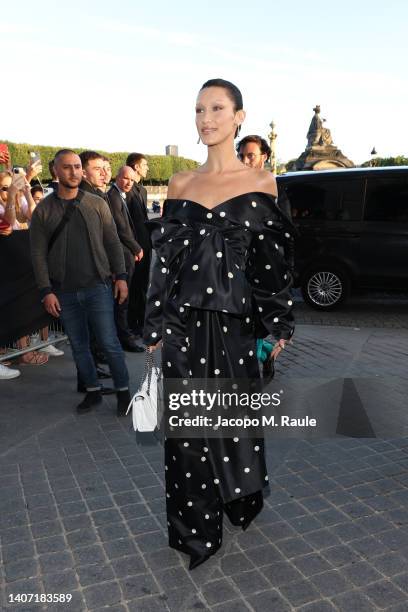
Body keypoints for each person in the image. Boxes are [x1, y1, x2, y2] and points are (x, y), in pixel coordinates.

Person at [143, 78, 294, 569]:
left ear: (239, 117)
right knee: (188, 430)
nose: (205, 119)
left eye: (216, 108)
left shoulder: (262, 183)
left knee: (234, 425)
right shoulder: (182, 183)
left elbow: (271, 265)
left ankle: (242, 499)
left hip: (235, 326)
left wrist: (278, 324)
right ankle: (195, 533)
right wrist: (155, 325)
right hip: (185, 325)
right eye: (198, 110)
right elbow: (162, 264)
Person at [30, 149, 131, 416]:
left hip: (98, 286)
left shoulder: (97, 204)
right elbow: (37, 254)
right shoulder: (43, 210)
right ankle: (93, 391)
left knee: (109, 342)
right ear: (55, 171)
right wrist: (46, 290)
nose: (74, 172)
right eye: (67, 167)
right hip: (64, 292)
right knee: (79, 345)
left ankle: (123, 392)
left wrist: (120, 277)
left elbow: (112, 242)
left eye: (77, 167)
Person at [107, 166, 144, 352]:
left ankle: (122, 336)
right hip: (122, 255)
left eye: (132, 179)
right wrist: (136, 247)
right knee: (122, 299)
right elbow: (121, 228)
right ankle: (123, 339)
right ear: (117, 177)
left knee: (122, 300)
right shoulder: (113, 196)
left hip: (126, 254)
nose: (129, 182)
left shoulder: (119, 195)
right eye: (125, 178)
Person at [125, 153, 151, 336]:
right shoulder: (126, 191)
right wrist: (134, 246)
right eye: (144, 165)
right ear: (136, 167)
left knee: (142, 285)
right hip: (134, 248)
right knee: (133, 286)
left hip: (146, 245)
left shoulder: (142, 190)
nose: (147, 168)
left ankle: (140, 322)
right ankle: (132, 325)